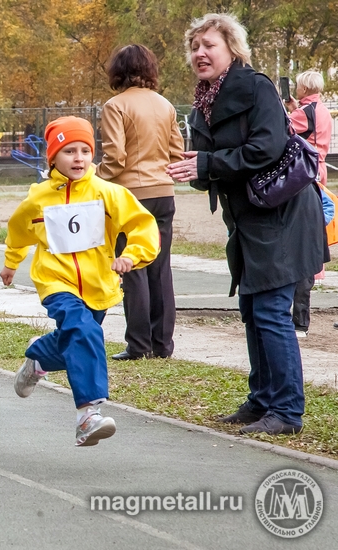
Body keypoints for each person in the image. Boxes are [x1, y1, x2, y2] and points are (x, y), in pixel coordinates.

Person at [167, 13, 328, 435]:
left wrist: (208, 163)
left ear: (232, 50)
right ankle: (261, 401)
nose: (200, 53)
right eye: (195, 47)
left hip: (283, 214)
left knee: (273, 311)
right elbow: (208, 166)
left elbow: (267, 148)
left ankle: (288, 411)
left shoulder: (256, 87)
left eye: (209, 45)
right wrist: (196, 169)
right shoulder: (203, 102)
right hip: (247, 219)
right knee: (253, 310)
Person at [0, 116, 159, 446]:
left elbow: (143, 225)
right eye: (69, 151)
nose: (78, 158)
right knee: (85, 333)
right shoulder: (38, 199)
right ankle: (88, 414)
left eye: (85, 150)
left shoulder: (108, 194)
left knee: (77, 340)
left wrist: (132, 254)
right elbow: (18, 231)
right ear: (53, 157)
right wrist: (11, 263)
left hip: (99, 285)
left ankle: (39, 356)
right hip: (56, 281)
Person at [96, 44, 184, 360]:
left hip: (130, 197)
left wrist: (96, 175)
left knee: (132, 269)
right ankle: (163, 344)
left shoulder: (115, 106)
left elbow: (116, 157)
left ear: (117, 72)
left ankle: (138, 344)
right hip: (163, 193)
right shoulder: (166, 106)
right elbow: (177, 152)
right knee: (160, 268)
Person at [285, 71, 334, 338]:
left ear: (303, 87)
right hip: (320, 169)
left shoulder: (305, 112)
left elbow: (284, 127)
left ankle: (299, 319)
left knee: (301, 244)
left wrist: (289, 110)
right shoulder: (322, 111)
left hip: (305, 173)